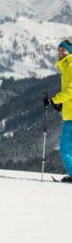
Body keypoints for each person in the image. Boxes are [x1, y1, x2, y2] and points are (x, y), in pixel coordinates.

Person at [44, 38, 72, 183]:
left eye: (63, 49)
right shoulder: (66, 65)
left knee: (66, 148)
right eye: (59, 49)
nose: (60, 52)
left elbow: (71, 90)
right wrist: (60, 105)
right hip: (69, 115)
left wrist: (54, 100)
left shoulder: (71, 65)